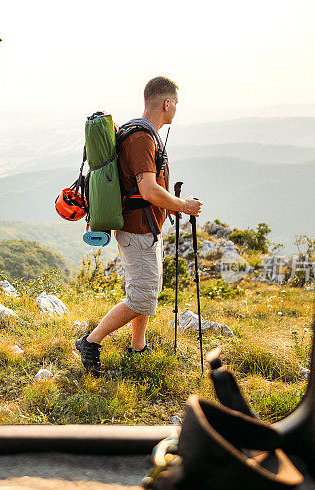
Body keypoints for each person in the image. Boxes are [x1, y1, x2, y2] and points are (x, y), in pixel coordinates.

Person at [75, 76, 203, 376]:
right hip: (138, 229)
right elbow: (148, 190)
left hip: (148, 227)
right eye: (176, 104)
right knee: (141, 295)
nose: (176, 110)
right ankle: (90, 341)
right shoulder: (142, 138)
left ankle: (138, 346)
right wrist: (183, 205)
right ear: (166, 103)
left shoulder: (141, 132)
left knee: (147, 289)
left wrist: (170, 207)